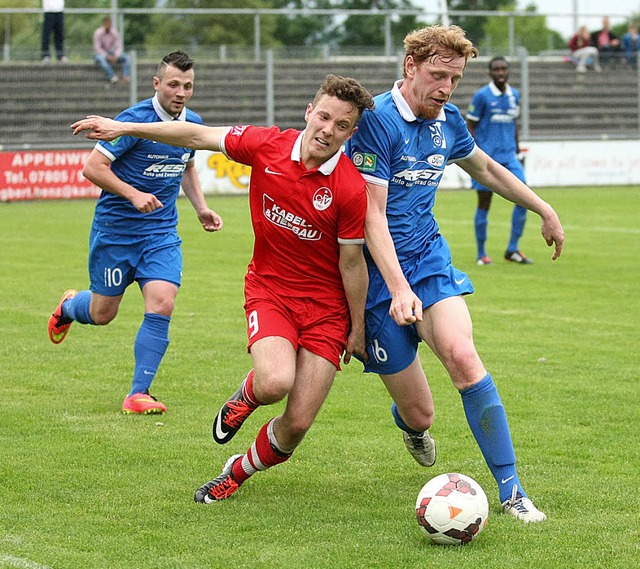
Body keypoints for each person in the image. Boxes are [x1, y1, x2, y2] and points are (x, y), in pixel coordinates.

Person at [71, 74, 374, 502]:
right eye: (323, 117)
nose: (328, 130)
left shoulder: (349, 187)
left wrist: (357, 326)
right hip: (271, 291)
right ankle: (244, 399)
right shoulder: (266, 144)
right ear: (309, 112)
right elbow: (196, 133)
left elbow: (351, 262)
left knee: (299, 424)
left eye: (341, 125)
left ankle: (237, 469)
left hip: (327, 310)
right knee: (273, 382)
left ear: (351, 132)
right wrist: (124, 127)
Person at [345, 25, 564, 523]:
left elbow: (485, 168)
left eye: (455, 78)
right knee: (421, 413)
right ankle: (413, 427)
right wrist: (397, 289)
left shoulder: (448, 120)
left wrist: (542, 208)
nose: (446, 88)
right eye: (437, 75)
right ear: (410, 67)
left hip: (429, 262)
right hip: (381, 280)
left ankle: (512, 492)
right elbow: (371, 216)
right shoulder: (376, 120)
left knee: (464, 357)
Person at [49, 51, 223, 415]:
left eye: (188, 86)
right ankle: (68, 305)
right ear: (156, 83)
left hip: (160, 232)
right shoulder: (133, 121)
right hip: (116, 232)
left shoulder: (192, 122)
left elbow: (187, 166)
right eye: (174, 84)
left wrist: (201, 207)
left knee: (162, 301)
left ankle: (138, 393)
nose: (181, 92)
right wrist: (133, 193)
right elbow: (92, 168)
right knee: (102, 314)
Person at [466, 56, 532, 266]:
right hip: (486, 161)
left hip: (510, 157)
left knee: (525, 199)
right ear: (490, 72)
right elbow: (471, 126)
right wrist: (472, 155)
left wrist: (518, 152)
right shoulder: (482, 97)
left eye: (504, 69)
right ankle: (482, 253)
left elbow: (513, 125)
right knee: (484, 204)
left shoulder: (514, 95)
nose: (501, 72)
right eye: (497, 69)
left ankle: (512, 249)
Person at [93, 16, 131, 83]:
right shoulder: (98, 33)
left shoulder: (114, 32)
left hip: (112, 53)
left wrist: (116, 55)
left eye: (109, 23)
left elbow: (118, 46)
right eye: (106, 23)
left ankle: (126, 76)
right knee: (102, 59)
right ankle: (112, 76)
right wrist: (107, 56)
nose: (108, 25)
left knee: (127, 57)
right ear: (103, 24)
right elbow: (97, 48)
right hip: (101, 54)